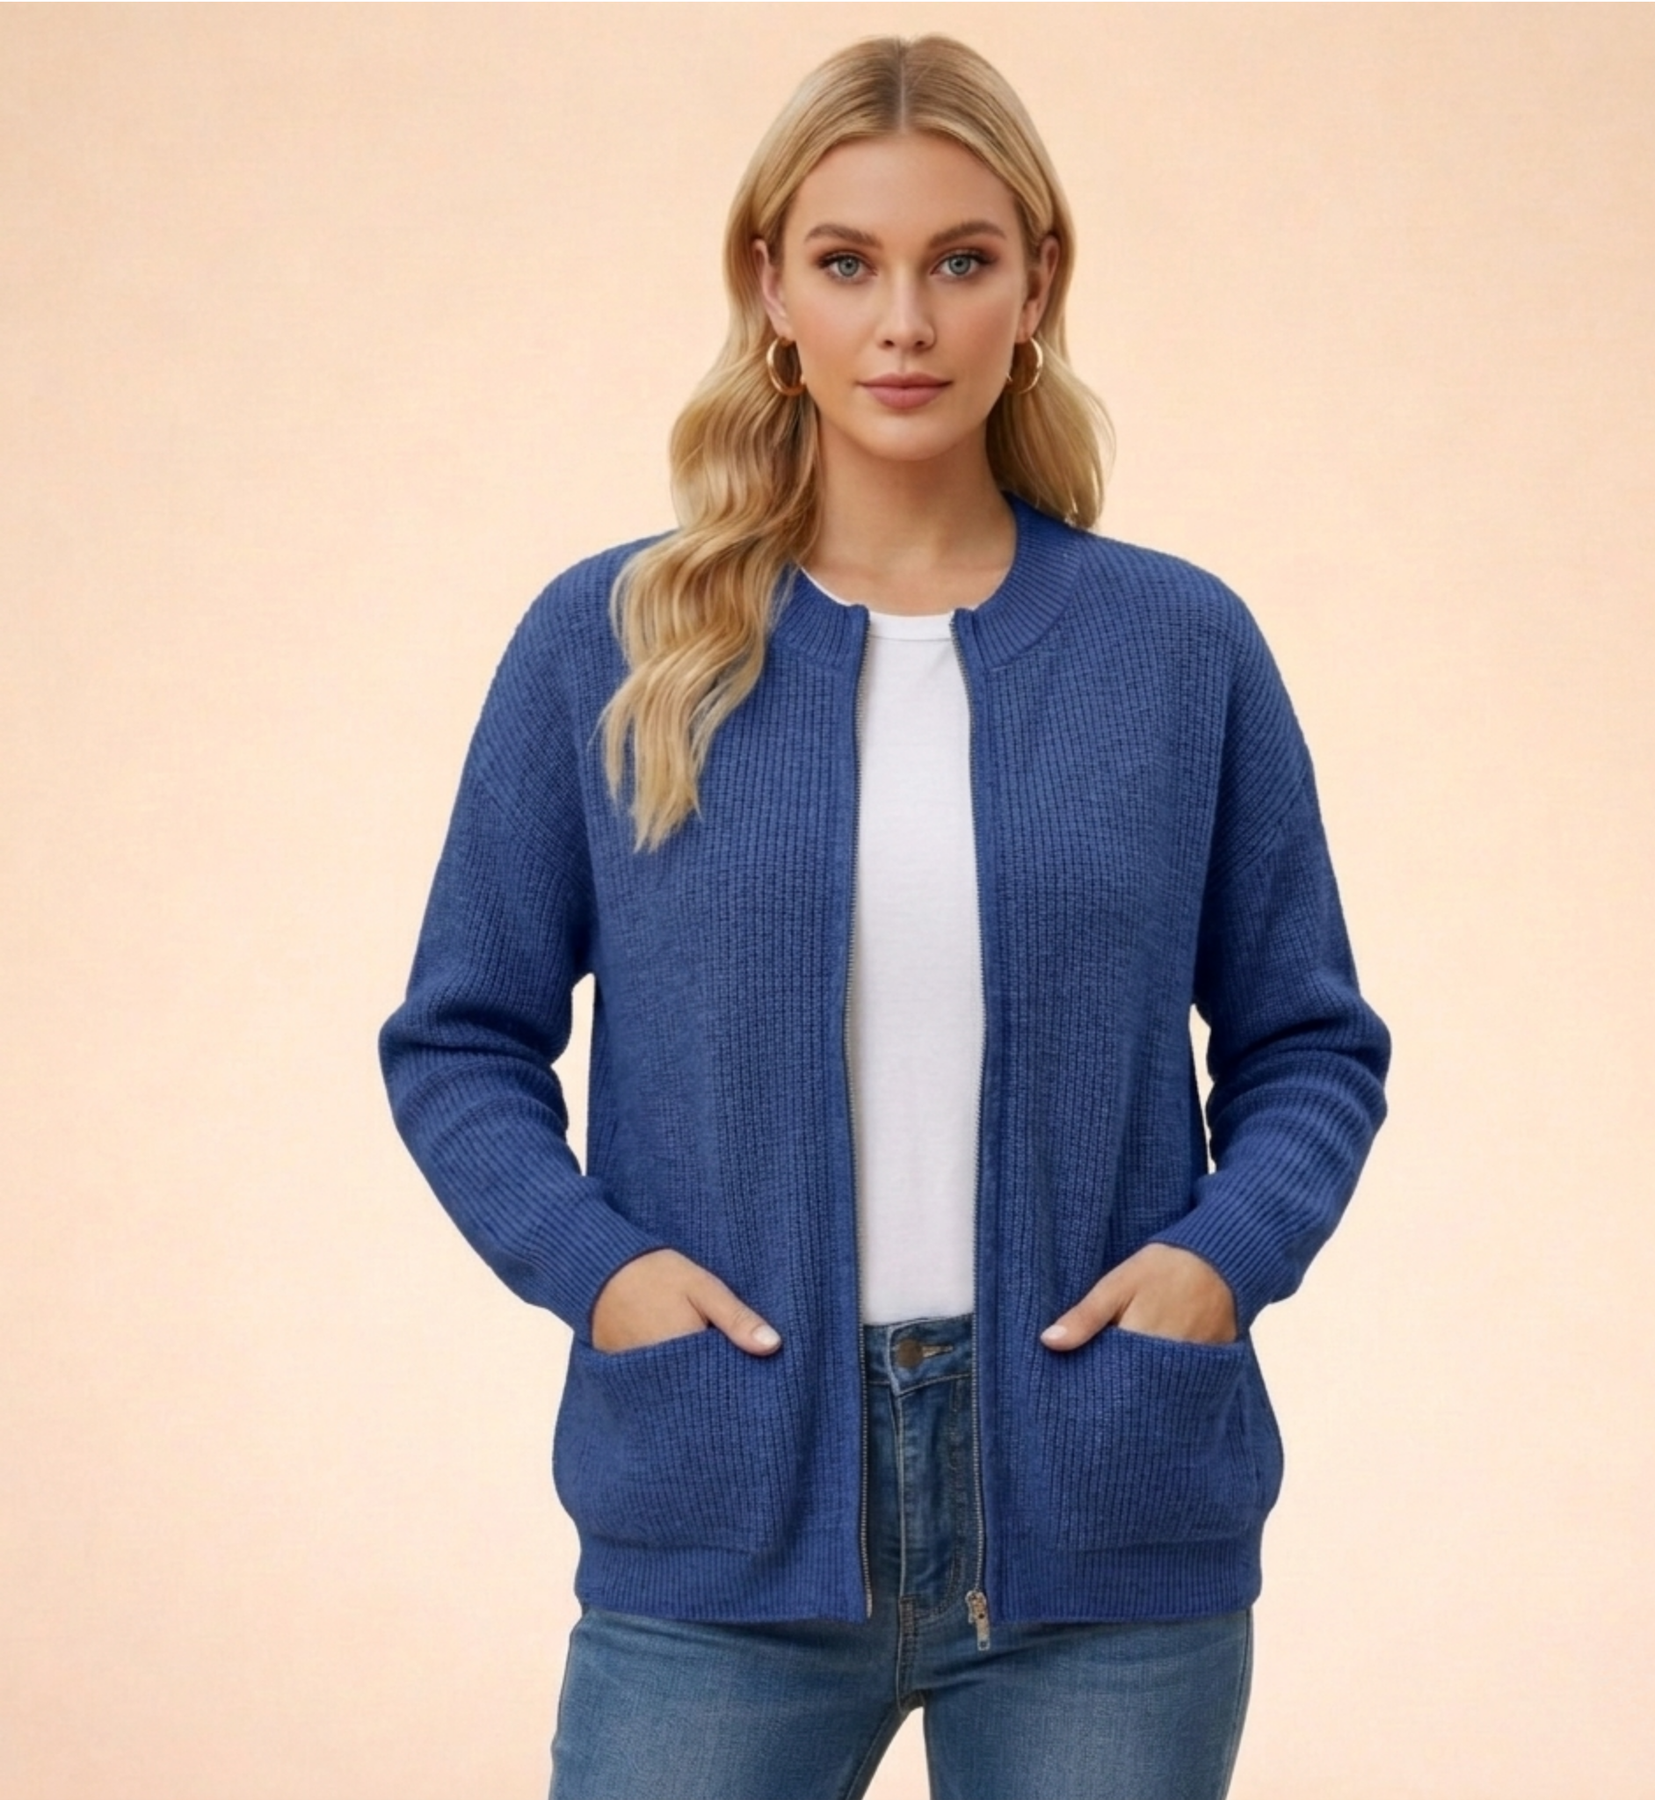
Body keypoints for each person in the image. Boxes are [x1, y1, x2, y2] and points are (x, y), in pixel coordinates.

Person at [378, 32, 1389, 1800]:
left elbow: (1308, 1041)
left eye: (960, 261)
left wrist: (1220, 1267)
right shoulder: (610, 645)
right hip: (724, 1502)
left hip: (1105, 1518)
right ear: (770, 287)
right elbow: (460, 1040)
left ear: (1037, 284)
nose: (904, 324)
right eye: (848, 263)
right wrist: (602, 1278)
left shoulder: (1176, 650)